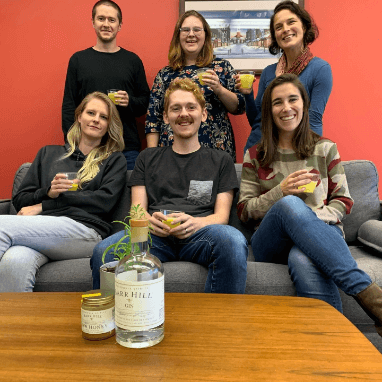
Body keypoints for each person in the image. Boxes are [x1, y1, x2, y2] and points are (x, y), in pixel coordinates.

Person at [237, 73, 382, 336]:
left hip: (320, 238)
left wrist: (308, 218)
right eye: (278, 102)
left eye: (293, 99)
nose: (286, 108)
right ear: (270, 110)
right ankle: (370, 296)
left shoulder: (325, 149)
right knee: (290, 204)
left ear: (304, 104)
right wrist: (280, 193)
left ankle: (331, 347)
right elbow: (245, 210)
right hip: (272, 243)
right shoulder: (255, 155)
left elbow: (344, 201)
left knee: (304, 258)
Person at [91, 78, 248, 293]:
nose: (183, 114)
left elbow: (221, 217)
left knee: (233, 240)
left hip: (200, 235)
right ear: (166, 116)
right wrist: (149, 222)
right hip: (154, 236)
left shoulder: (221, 160)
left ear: (203, 114)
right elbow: (136, 212)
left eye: (191, 107)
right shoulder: (147, 157)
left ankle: (221, 323)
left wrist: (195, 223)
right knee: (104, 250)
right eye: (176, 108)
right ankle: (114, 322)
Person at [0, 92, 127, 292]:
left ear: (109, 124)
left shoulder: (113, 160)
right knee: (14, 262)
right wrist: (48, 192)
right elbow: (21, 200)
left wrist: (45, 205)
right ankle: (17, 324)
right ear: (79, 116)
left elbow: (104, 202)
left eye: (103, 117)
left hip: (84, 231)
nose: (96, 119)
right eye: (91, 113)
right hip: (41, 232)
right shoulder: (48, 154)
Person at [145, 10, 245, 162]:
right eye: (185, 30)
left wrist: (219, 89)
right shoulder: (165, 74)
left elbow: (239, 106)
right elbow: (153, 119)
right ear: (178, 36)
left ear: (205, 35)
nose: (191, 34)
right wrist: (152, 159)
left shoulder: (222, 67)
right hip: (173, 152)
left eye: (197, 29)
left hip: (216, 150)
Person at [62, 0, 150, 170]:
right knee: (86, 196)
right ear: (93, 22)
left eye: (111, 20)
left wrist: (129, 102)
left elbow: (146, 103)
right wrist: (72, 143)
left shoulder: (133, 61)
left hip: (126, 148)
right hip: (87, 147)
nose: (106, 24)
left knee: (128, 196)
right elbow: (69, 105)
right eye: (101, 19)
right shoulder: (78, 60)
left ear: (119, 25)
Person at [237, 0, 332, 154]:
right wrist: (247, 95)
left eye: (291, 22)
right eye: (279, 27)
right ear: (275, 36)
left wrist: (310, 156)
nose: (285, 29)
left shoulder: (320, 69)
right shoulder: (269, 72)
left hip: (295, 153)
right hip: (259, 151)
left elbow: (313, 120)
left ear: (304, 26)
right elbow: (257, 121)